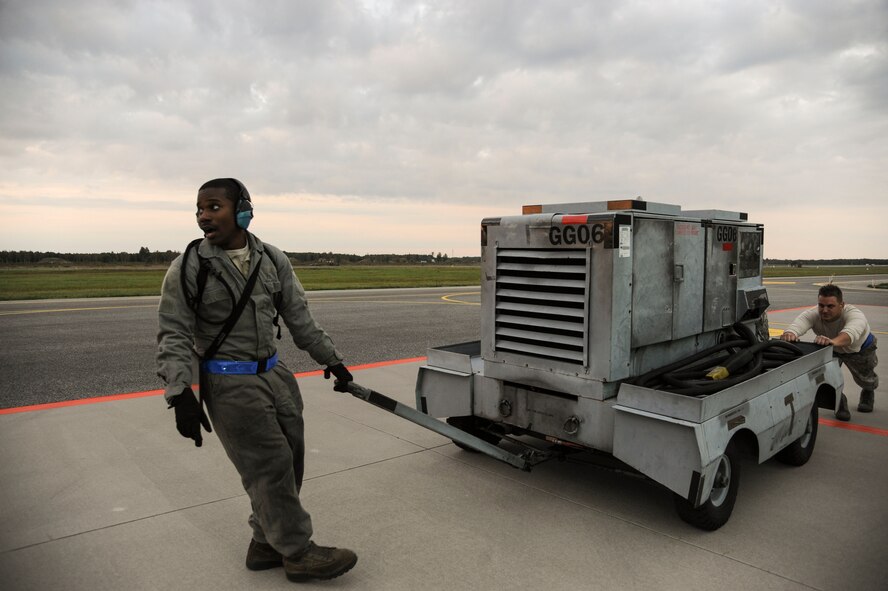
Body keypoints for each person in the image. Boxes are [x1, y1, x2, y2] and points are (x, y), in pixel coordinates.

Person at [156, 178, 358, 583]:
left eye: (214, 207)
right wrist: (180, 394)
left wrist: (331, 359)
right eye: (199, 209)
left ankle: (265, 543)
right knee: (269, 466)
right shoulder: (189, 267)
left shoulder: (272, 259)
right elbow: (174, 333)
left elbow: (299, 316)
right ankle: (298, 553)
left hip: (276, 376)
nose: (203, 217)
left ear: (243, 210)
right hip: (230, 385)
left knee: (291, 461)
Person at [780, 284, 878, 422]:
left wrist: (833, 341)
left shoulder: (854, 314)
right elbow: (796, 326)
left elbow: (850, 334)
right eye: (821, 305)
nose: (824, 310)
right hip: (832, 348)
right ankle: (840, 403)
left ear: (841, 305)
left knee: (866, 379)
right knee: (828, 378)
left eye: (830, 306)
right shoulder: (813, 314)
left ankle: (868, 391)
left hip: (859, 349)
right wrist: (789, 334)